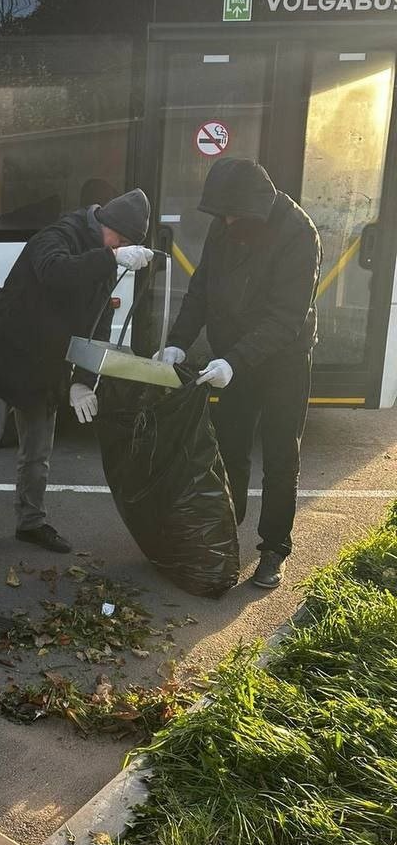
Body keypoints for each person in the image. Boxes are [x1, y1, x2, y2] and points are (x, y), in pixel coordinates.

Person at [0, 189, 153, 565]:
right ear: (104, 226)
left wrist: (82, 379)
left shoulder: (106, 259)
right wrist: (110, 257)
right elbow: (55, 273)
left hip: (45, 367)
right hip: (5, 357)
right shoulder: (58, 235)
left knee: (38, 456)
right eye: (121, 240)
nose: (123, 248)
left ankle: (31, 522)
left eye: (128, 245)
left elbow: (98, 327)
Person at [156, 158, 321, 589]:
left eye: (233, 215)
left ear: (256, 209)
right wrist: (178, 340)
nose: (226, 223)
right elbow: (201, 288)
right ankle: (225, 533)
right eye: (221, 215)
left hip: (284, 359)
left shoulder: (299, 234)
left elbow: (285, 318)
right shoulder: (226, 227)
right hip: (235, 356)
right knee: (229, 446)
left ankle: (273, 549)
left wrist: (234, 360)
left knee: (282, 456)